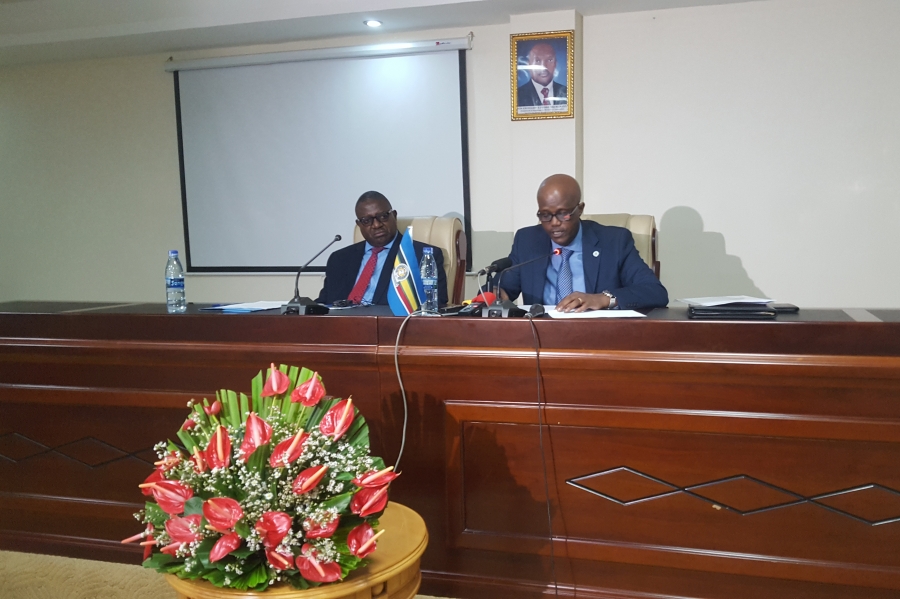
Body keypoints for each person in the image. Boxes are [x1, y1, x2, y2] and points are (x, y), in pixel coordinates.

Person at [499, 174, 668, 312]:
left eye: (563, 214)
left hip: (597, 338)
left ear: (579, 209)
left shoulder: (614, 242)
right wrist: (495, 295)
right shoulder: (527, 241)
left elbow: (654, 292)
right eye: (545, 215)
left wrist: (602, 298)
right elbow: (501, 289)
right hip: (540, 337)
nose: (554, 223)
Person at [316, 191, 448, 307]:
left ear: (394, 216)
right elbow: (325, 302)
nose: (377, 225)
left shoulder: (421, 255)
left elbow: (435, 303)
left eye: (383, 216)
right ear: (359, 224)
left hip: (390, 329)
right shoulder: (339, 259)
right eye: (367, 221)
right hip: (341, 328)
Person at [517, 42, 568, 107]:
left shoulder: (568, 93)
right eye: (537, 61)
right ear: (529, 65)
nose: (543, 66)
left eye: (549, 60)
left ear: (556, 63)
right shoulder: (517, 95)